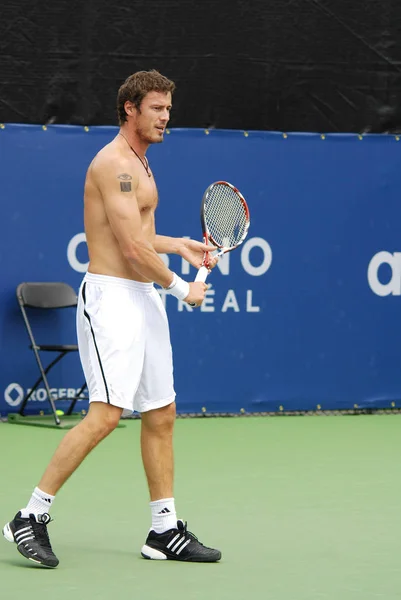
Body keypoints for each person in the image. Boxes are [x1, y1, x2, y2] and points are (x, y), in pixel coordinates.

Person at [3, 70, 221, 567]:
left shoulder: (142, 163)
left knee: (161, 413)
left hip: (143, 296)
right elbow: (126, 248)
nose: (166, 117)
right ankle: (29, 516)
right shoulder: (113, 163)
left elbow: (141, 233)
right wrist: (182, 286)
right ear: (130, 109)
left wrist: (178, 244)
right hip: (112, 299)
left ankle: (163, 531)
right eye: (157, 109)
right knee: (105, 416)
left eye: (168, 108)